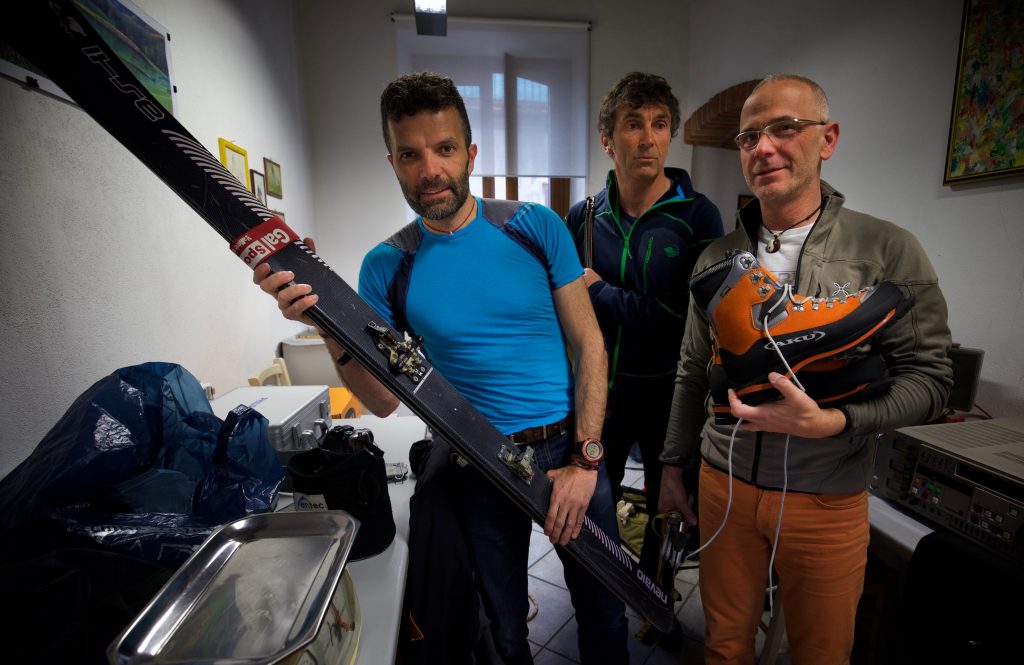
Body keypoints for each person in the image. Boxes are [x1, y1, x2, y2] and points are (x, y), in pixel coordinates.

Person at [254, 72, 628, 665]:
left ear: (470, 153)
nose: (430, 169)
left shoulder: (534, 226)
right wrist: (328, 323)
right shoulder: (386, 266)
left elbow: (590, 346)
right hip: (477, 465)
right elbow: (379, 401)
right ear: (393, 162)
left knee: (606, 618)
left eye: (445, 148)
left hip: (567, 453)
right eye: (411, 154)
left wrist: (586, 459)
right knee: (504, 632)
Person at [658, 74, 952, 665]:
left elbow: (932, 382)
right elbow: (692, 371)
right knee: (724, 647)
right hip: (725, 486)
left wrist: (839, 422)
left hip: (827, 495)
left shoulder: (888, 251)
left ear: (828, 138)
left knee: (820, 654)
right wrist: (671, 466)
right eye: (748, 137)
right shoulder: (715, 258)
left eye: (785, 128)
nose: (763, 148)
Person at [564, 72, 723, 582]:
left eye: (660, 124)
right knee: (593, 507)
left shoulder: (698, 217)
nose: (648, 137)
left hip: (670, 399)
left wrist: (601, 292)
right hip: (600, 395)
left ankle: (656, 599)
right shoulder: (583, 217)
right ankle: (602, 593)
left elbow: (686, 324)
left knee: (667, 506)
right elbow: (566, 312)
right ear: (608, 139)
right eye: (633, 124)